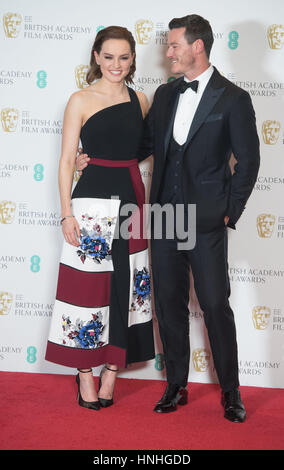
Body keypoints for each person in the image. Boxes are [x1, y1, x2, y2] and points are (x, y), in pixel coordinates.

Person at [76, 14, 260, 422]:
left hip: (206, 220)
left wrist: (230, 211)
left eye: (174, 45)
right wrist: (87, 157)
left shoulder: (233, 98)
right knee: (169, 306)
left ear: (197, 47)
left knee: (215, 305)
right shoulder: (163, 95)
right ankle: (176, 384)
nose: (167, 52)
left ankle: (231, 391)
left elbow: (248, 162)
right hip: (161, 217)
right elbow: (137, 145)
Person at [45, 26, 155, 410]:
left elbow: (142, 150)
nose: (116, 65)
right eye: (108, 57)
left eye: (124, 57)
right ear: (96, 57)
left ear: (132, 59)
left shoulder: (141, 100)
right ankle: (84, 373)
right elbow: (64, 160)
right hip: (90, 203)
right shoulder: (80, 99)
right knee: (86, 288)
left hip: (130, 200)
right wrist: (65, 213)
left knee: (126, 284)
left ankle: (112, 370)